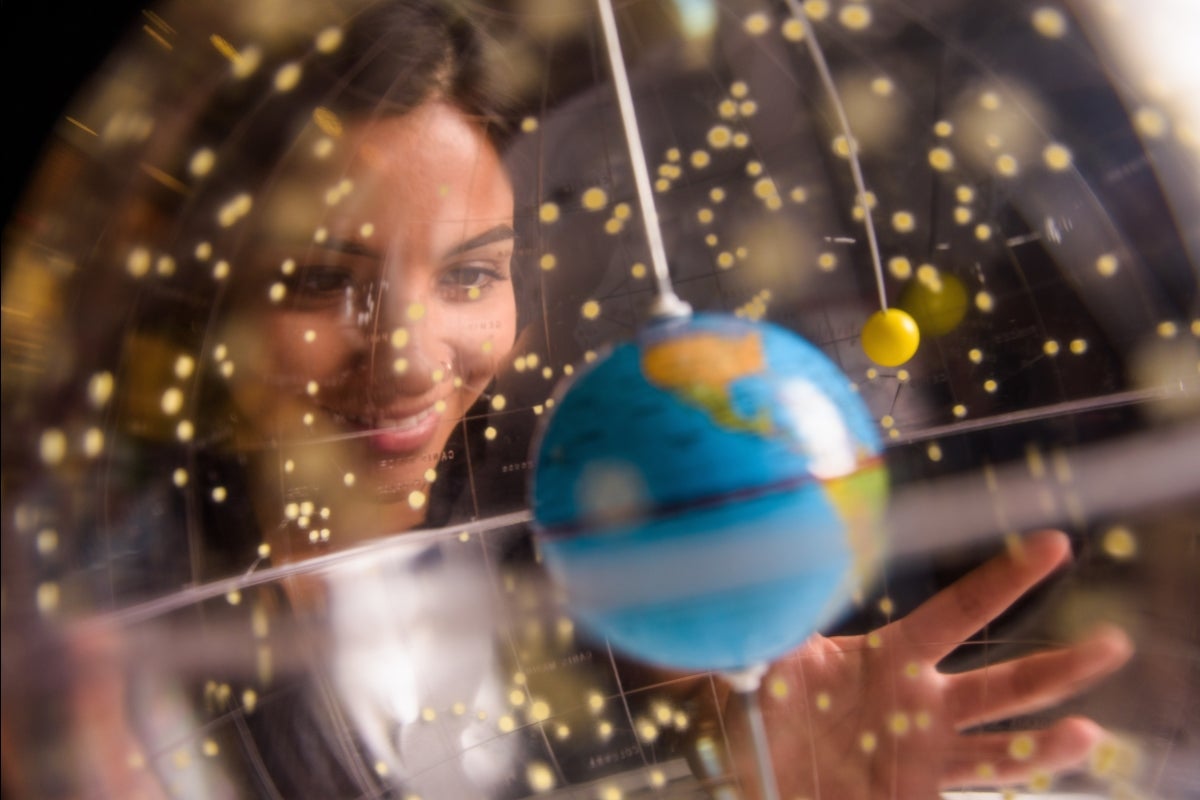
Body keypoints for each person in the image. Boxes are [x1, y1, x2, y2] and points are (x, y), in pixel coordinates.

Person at [0, 1, 1133, 797]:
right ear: (208, 298)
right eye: (317, 281)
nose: (409, 358)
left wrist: (736, 760)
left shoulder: (567, 531)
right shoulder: (109, 638)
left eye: (469, 273)